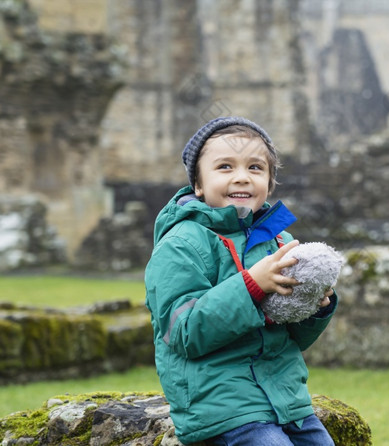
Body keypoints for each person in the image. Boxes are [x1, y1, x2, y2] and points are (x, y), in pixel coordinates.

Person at [144, 116, 337, 445]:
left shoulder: (277, 240)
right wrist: (251, 286)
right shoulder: (181, 244)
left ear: (270, 183)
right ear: (198, 185)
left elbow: (294, 337)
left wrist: (316, 307)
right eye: (225, 167)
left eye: (255, 168)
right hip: (222, 405)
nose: (242, 178)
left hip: (287, 399)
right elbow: (183, 331)